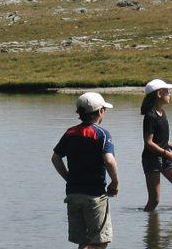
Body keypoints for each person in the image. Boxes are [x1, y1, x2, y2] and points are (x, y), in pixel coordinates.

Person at [52, 92, 120, 248]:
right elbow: (109, 161)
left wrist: (68, 178)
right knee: (101, 241)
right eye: (104, 109)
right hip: (94, 194)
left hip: (73, 193)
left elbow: (55, 158)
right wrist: (115, 183)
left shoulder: (70, 133)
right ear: (100, 112)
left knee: (85, 241)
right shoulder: (102, 134)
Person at [140, 79, 172, 213]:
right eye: (167, 92)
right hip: (152, 159)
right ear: (159, 94)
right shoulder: (150, 116)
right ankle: (150, 230)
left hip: (165, 155)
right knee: (154, 200)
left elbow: (160, 139)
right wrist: (166, 153)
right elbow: (149, 142)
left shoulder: (162, 112)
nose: (169, 94)